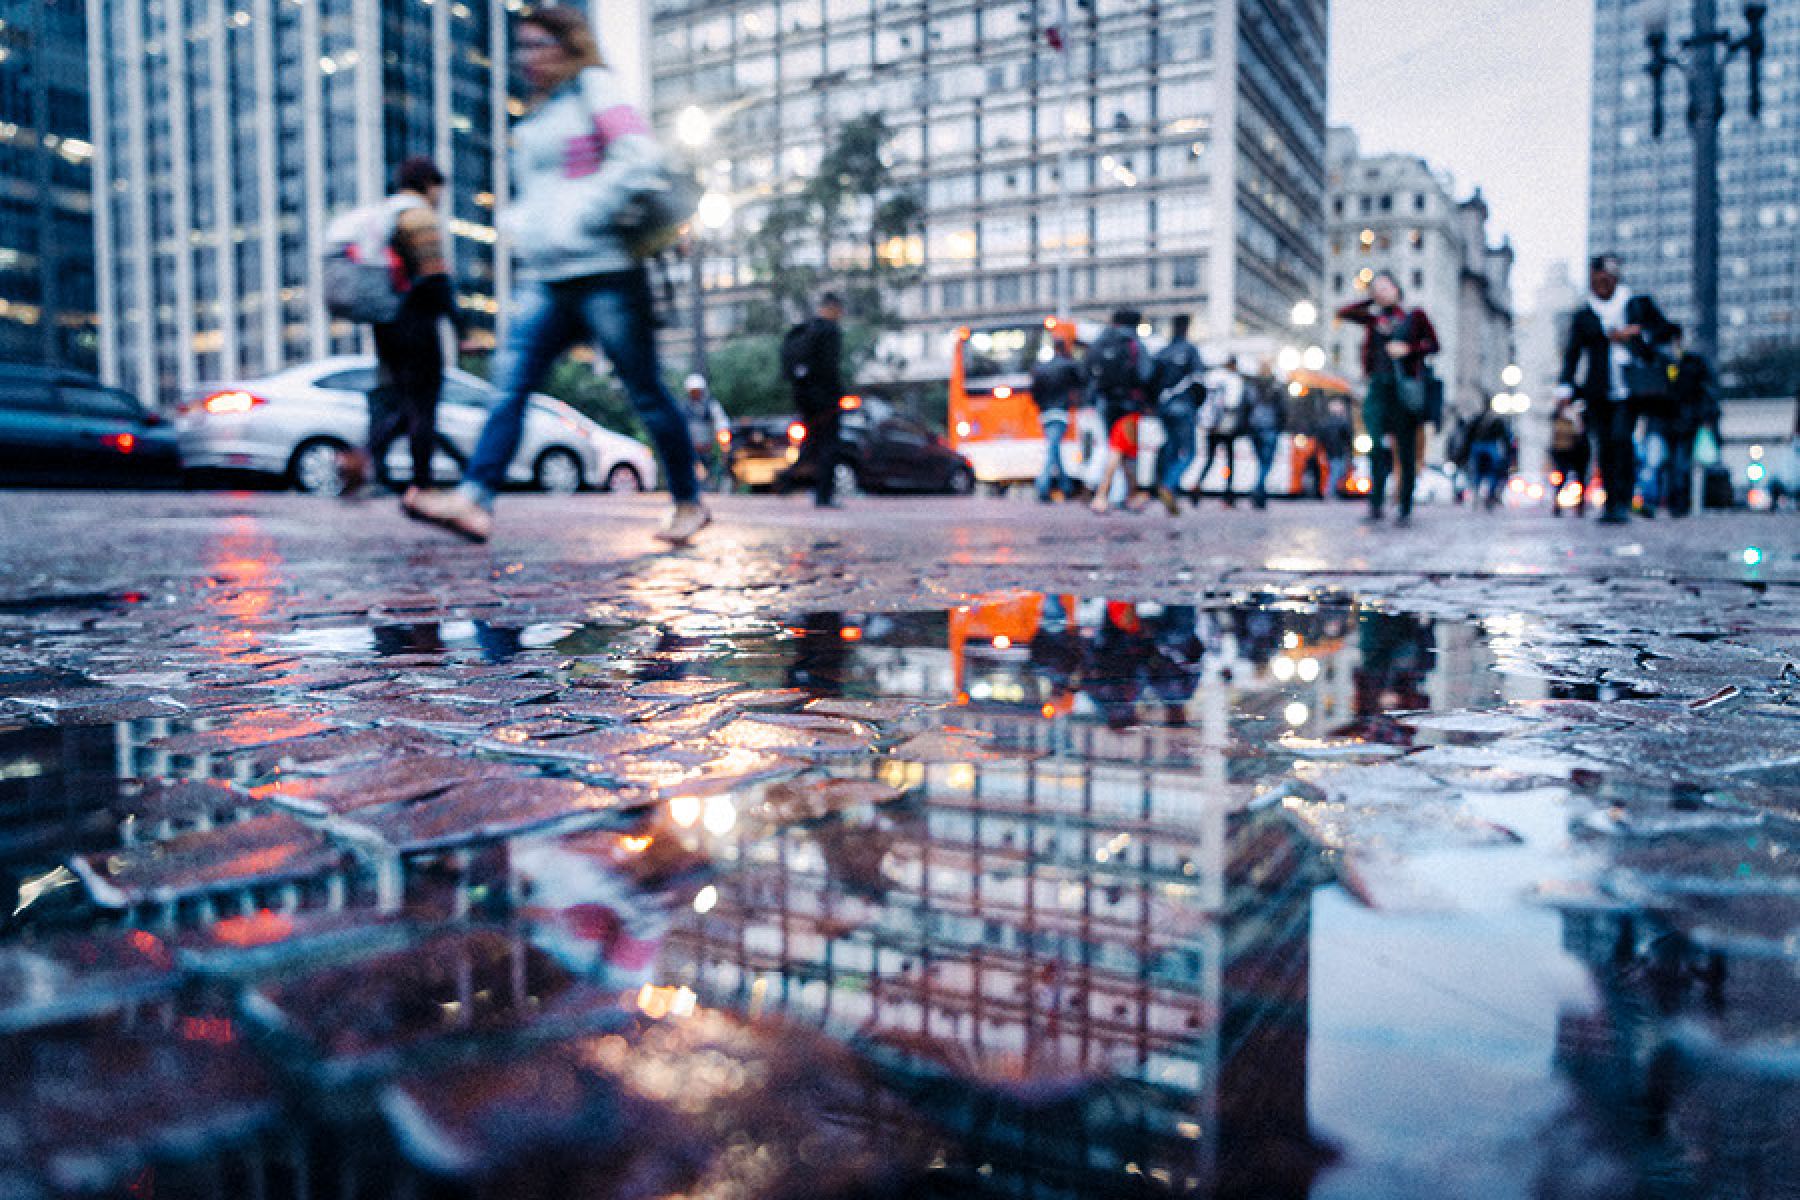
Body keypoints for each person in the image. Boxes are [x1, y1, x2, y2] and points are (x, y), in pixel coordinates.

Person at [407, 6, 706, 545]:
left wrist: (581, 218)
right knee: (510, 385)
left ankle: (688, 500)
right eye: (522, 47)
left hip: (606, 271)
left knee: (645, 392)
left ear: (570, 47)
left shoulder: (596, 89)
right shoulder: (539, 116)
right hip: (547, 276)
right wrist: (522, 226)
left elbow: (638, 157)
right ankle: (476, 499)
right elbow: (539, 195)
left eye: (540, 44)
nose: (529, 57)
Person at [339, 157, 466, 510]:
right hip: (417, 323)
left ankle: (359, 459)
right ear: (428, 183)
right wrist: (461, 330)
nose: (440, 195)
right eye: (439, 187)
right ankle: (421, 486)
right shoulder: (419, 216)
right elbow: (435, 277)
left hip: (386, 325)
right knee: (424, 404)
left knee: (403, 402)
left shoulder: (383, 215)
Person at [1556, 254, 1679, 525]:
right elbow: (1573, 354)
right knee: (1604, 445)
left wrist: (1637, 333)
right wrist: (1564, 389)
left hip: (1632, 388)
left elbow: (1668, 331)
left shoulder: (1636, 305)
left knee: (1621, 439)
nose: (1601, 284)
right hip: (1598, 391)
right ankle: (1611, 501)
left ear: (1615, 279)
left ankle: (1623, 500)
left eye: (1606, 278)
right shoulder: (1585, 315)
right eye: (1596, 279)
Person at [1337, 272, 1440, 526]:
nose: (1381, 291)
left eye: (1385, 286)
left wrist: (1408, 349)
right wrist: (1368, 298)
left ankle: (1405, 506)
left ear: (1397, 288)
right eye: (1376, 288)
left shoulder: (1414, 317)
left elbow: (1434, 345)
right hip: (1378, 387)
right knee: (1374, 446)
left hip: (1404, 390)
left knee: (1406, 451)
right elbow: (1343, 312)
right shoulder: (1373, 318)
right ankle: (1376, 504)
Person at [784, 292, 848, 507]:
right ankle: (823, 494)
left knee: (811, 444)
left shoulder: (805, 330)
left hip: (804, 398)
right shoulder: (828, 332)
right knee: (828, 446)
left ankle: (786, 481)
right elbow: (830, 368)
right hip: (825, 401)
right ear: (833, 308)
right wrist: (836, 395)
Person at [1085, 310, 1152, 514]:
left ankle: (1131, 495)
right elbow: (1145, 374)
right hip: (1128, 403)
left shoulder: (1101, 340)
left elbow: (1086, 369)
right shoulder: (1134, 343)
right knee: (1119, 448)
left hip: (1105, 402)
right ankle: (1101, 495)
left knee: (1120, 448)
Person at [1655, 338, 1716, 518]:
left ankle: (1679, 503)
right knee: (1675, 464)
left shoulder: (1689, 364)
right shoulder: (1669, 363)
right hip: (1674, 422)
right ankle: (1677, 503)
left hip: (1684, 422)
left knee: (1679, 464)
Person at [1150, 314, 1204, 515]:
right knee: (1189, 453)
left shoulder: (1162, 352)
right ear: (1187, 327)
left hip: (1164, 407)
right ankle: (1168, 485)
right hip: (1184, 406)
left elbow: (1151, 381)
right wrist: (1195, 407)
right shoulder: (1191, 351)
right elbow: (1200, 382)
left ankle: (1170, 491)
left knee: (1171, 448)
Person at [1030, 334, 1086, 503]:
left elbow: (1034, 392)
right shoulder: (1068, 366)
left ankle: (1065, 486)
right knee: (1052, 450)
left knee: (1054, 449)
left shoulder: (1041, 368)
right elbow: (1081, 381)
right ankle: (1043, 486)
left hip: (1045, 413)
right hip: (1060, 411)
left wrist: (1041, 406)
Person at [1195, 356, 1245, 505]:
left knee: (1209, 460)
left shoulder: (1212, 377)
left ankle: (1197, 486)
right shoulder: (1234, 380)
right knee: (1229, 462)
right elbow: (1232, 403)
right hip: (1226, 426)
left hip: (1210, 425)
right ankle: (1228, 495)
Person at [1242, 359, 1286, 509]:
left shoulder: (1251, 385)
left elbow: (1245, 406)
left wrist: (1246, 426)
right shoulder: (1276, 385)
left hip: (1254, 426)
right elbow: (1283, 409)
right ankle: (1258, 491)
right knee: (1266, 463)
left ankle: (1260, 492)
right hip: (1270, 426)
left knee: (1261, 462)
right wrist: (1281, 426)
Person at [681, 373, 730, 492]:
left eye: (697, 390)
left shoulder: (710, 405)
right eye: (693, 391)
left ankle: (714, 484)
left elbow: (721, 420)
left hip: (708, 445)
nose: (696, 393)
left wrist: (722, 432)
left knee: (713, 463)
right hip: (691, 445)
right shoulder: (684, 406)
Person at [1549, 394, 1590, 517]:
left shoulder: (1580, 411)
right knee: (1562, 477)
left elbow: (1583, 430)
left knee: (1580, 478)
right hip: (1564, 451)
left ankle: (1580, 505)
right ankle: (1558, 504)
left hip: (1579, 450)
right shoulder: (1558, 414)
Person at [1466, 409, 1514, 510]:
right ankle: (1488, 496)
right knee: (1492, 473)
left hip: (1479, 447)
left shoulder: (1477, 419)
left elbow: (1468, 436)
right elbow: (1506, 438)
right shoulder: (1497, 421)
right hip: (1488, 447)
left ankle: (1479, 495)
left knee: (1479, 474)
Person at [1318, 397, 1355, 500]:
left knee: (1336, 471)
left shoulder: (1326, 422)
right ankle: (1329, 492)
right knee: (1337, 471)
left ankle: (1332, 491)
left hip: (1330, 451)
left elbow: (1321, 437)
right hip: (1338, 451)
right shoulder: (1342, 421)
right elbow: (1348, 437)